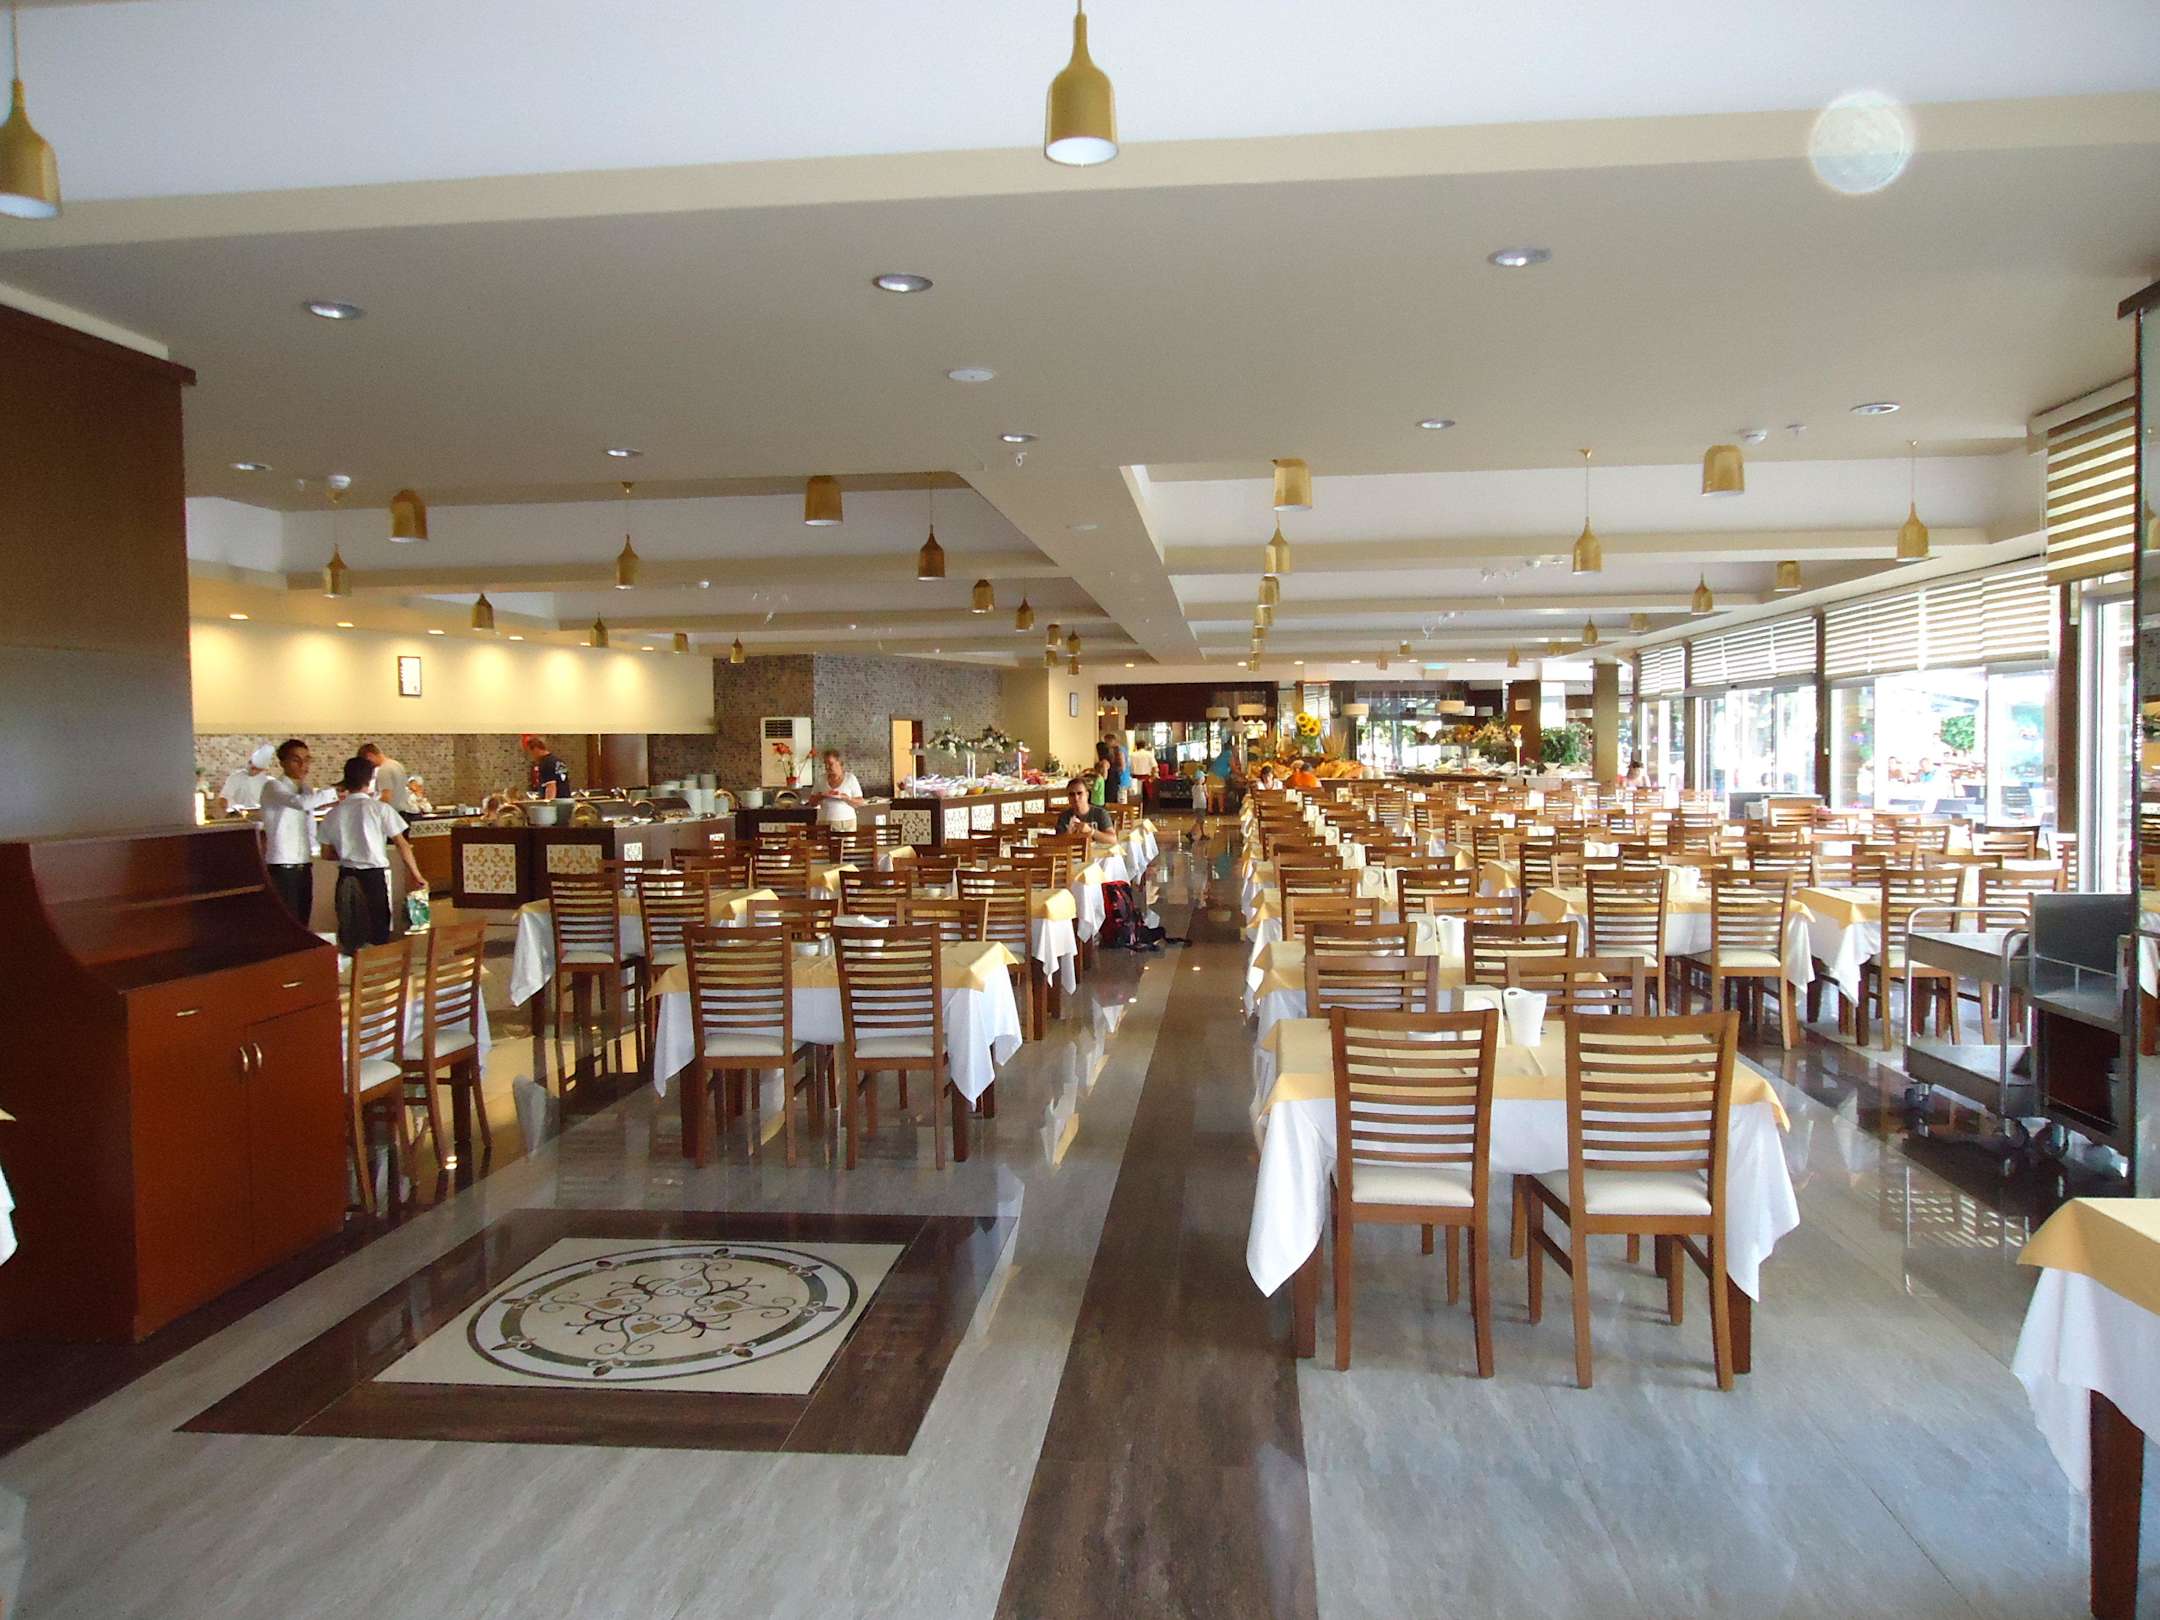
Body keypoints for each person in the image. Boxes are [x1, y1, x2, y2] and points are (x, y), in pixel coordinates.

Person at [320, 755, 428, 954]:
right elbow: (402, 845)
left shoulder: (333, 814)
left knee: (350, 930)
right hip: (373, 876)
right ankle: (378, 969)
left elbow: (326, 853)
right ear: (370, 780)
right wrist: (416, 874)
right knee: (378, 931)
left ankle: (353, 970)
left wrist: (349, 853)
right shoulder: (379, 809)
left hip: (346, 876)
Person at [258, 738, 336, 925]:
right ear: (282, 762)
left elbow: (309, 817)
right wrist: (335, 791)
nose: (303, 765)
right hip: (283, 867)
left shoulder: (307, 790)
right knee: (287, 923)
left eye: (307, 759)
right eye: (296, 760)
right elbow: (299, 803)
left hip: (304, 864)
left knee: (303, 920)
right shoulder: (273, 786)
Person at [807, 748, 865, 828]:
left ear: (840, 763)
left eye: (830, 764)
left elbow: (860, 802)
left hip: (846, 822)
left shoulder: (850, 778)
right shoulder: (821, 779)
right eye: (825, 764)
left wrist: (847, 798)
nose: (827, 767)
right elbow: (811, 803)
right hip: (824, 822)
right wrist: (821, 796)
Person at [1055, 774, 1117, 847]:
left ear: (1087, 795)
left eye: (1079, 793)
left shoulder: (1100, 813)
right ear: (1068, 797)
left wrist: (1091, 831)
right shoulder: (1064, 816)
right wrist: (1069, 834)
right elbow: (1057, 842)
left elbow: (1113, 840)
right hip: (1073, 853)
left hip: (1097, 852)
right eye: (1072, 794)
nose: (1076, 797)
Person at [217, 742, 276, 815]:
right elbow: (224, 798)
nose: (252, 770)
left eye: (256, 769)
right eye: (251, 766)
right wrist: (232, 809)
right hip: (237, 815)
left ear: (262, 770)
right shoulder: (235, 777)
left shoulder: (268, 782)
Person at [358, 742, 415, 813]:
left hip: (392, 812)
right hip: (404, 810)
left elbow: (386, 797)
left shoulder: (384, 770)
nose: (368, 765)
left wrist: (372, 810)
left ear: (370, 756)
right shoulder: (397, 764)